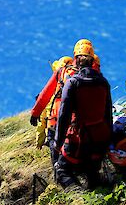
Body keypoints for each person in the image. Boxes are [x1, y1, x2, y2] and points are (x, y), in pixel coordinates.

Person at [54, 44, 112, 189]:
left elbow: (63, 115)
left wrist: (58, 141)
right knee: (92, 172)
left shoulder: (72, 83)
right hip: (99, 137)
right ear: (93, 61)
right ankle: (96, 200)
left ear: (76, 60)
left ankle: (78, 197)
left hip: (79, 138)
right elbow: (108, 115)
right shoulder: (103, 82)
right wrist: (107, 141)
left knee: (62, 170)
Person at [29, 39, 94, 166]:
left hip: (56, 121)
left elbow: (45, 94)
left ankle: (63, 180)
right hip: (82, 124)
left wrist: (35, 113)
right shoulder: (95, 77)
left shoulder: (62, 72)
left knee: (57, 159)